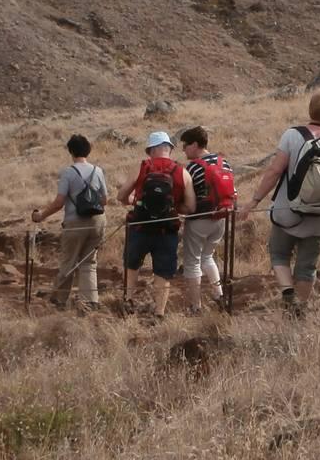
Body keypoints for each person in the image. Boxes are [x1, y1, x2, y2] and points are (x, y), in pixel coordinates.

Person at [240, 87, 320, 313]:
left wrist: (254, 200)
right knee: (307, 268)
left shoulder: (292, 135)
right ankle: (298, 312)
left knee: (279, 254)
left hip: (288, 212)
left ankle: (288, 293)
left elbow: (274, 171)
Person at [115, 131, 195, 317]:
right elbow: (190, 207)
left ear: (151, 150)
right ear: (169, 149)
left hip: (139, 226)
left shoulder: (143, 167)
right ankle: (159, 311)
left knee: (132, 264)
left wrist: (132, 200)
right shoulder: (182, 171)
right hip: (167, 229)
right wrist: (173, 207)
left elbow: (121, 196)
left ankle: (128, 301)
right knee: (163, 271)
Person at [31, 134, 108, 311]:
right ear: (88, 150)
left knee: (69, 262)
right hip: (98, 222)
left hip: (75, 223)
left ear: (71, 151)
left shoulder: (68, 172)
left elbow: (59, 202)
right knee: (89, 263)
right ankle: (90, 302)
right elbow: (104, 200)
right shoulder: (98, 171)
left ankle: (59, 300)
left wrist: (41, 216)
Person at [178, 126, 232, 314]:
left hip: (200, 218)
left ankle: (195, 307)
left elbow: (187, 195)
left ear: (194, 144)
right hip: (220, 217)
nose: (183, 149)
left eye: (185, 145)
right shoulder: (223, 162)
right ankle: (219, 295)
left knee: (192, 262)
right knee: (207, 257)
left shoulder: (193, 166)